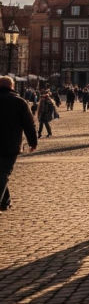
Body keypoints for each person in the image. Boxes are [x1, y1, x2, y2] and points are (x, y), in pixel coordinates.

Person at [0, 75, 38, 212]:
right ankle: (3, 201)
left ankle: (5, 201)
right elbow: (29, 125)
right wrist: (33, 142)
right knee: (3, 172)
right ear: (12, 87)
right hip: (11, 144)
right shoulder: (20, 102)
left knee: (2, 173)